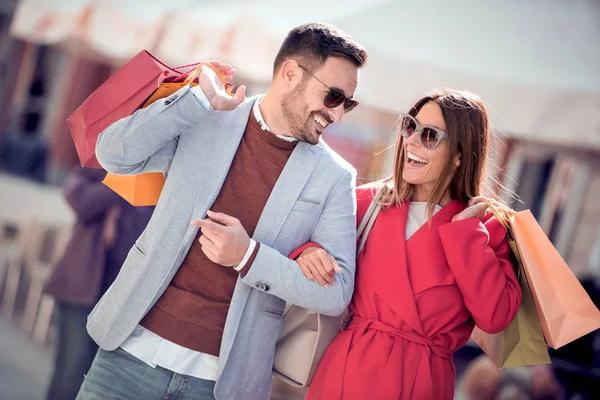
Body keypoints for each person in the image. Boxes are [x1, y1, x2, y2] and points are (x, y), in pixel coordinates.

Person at [76, 23, 367, 400]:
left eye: (349, 103)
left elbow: (336, 293)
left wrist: (249, 256)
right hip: (127, 356)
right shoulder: (204, 117)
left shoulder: (334, 177)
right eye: (333, 96)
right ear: (291, 73)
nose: (339, 114)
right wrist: (195, 100)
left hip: (220, 384)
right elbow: (112, 155)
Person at [293, 89, 523, 399]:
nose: (411, 140)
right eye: (409, 126)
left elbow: (495, 317)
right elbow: (296, 239)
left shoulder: (486, 229)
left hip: (420, 383)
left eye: (429, 135)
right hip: (345, 374)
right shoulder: (366, 203)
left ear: (459, 154)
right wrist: (307, 251)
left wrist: (466, 234)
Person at [43, 166, 153, 400]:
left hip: (122, 300)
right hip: (81, 290)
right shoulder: (99, 169)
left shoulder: (157, 184)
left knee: (96, 381)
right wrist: (127, 177)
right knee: (71, 372)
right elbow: (82, 202)